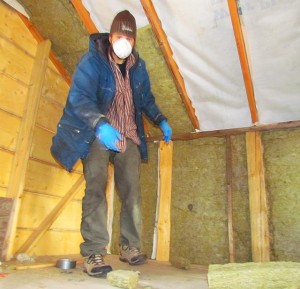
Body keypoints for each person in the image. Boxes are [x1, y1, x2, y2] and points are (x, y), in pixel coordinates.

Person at [51, 10, 172, 277]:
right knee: (95, 188)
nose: (124, 42)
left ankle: (130, 247)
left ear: (134, 40)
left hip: (127, 134)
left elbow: (147, 99)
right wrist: (100, 124)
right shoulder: (93, 61)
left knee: (132, 194)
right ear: (111, 35)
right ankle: (94, 251)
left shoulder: (138, 66)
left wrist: (161, 119)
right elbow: (79, 97)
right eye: (119, 35)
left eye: (129, 37)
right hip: (99, 134)